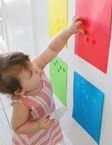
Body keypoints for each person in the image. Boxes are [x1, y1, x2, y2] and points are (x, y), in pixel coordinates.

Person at [0, 17, 84, 145]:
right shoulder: (22, 104)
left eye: (30, 63)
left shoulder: (35, 66)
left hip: (48, 126)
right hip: (35, 137)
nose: (36, 68)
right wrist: (38, 125)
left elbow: (52, 48)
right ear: (20, 91)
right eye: (31, 73)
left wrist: (68, 31)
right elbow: (17, 127)